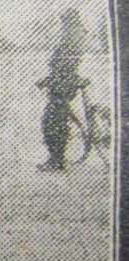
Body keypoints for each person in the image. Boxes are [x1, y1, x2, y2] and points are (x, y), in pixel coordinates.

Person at [36, 9, 90, 172]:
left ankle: (57, 160)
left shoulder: (71, 39)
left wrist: (51, 80)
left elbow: (65, 68)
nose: (63, 26)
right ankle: (57, 158)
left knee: (53, 123)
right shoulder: (73, 37)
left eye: (64, 22)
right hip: (62, 86)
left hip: (62, 88)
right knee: (57, 121)